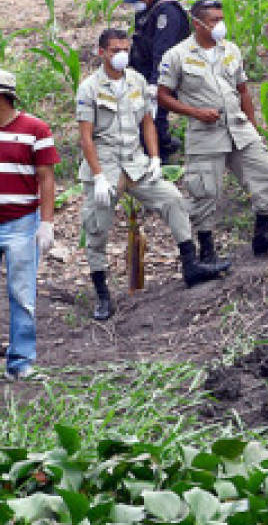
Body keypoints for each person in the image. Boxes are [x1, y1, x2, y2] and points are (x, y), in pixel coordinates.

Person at [77, 30, 228, 319]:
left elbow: (148, 122)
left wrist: (156, 158)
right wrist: (97, 175)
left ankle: (191, 264)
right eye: (114, 50)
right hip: (107, 166)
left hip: (136, 162)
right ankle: (102, 295)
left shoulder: (136, 81)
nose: (120, 54)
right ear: (101, 53)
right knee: (97, 227)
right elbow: (85, 138)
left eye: (125, 48)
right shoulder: (89, 88)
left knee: (173, 200)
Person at [157, 0, 268, 260]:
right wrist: (196, 112)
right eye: (213, 21)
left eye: (221, 19)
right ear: (197, 24)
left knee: (267, 174)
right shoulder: (176, 55)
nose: (219, 25)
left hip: (238, 127)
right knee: (205, 191)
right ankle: (207, 252)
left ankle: (263, 237)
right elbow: (163, 96)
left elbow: (243, 90)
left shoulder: (230, 49)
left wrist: (253, 127)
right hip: (204, 132)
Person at [0, 69, 57, 381]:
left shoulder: (35, 129)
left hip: (21, 222)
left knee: (22, 294)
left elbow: (46, 178)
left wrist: (46, 223)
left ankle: (20, 363)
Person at [123, 0, 191, 164]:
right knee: (142, 112)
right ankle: (162, 144)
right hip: (145, 70)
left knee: (155, 113)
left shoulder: (167, 13)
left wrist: (155, 82)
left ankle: (160, 156)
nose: (136, 3)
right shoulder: (146, 9)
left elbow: (163, 52)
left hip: (166, 72)